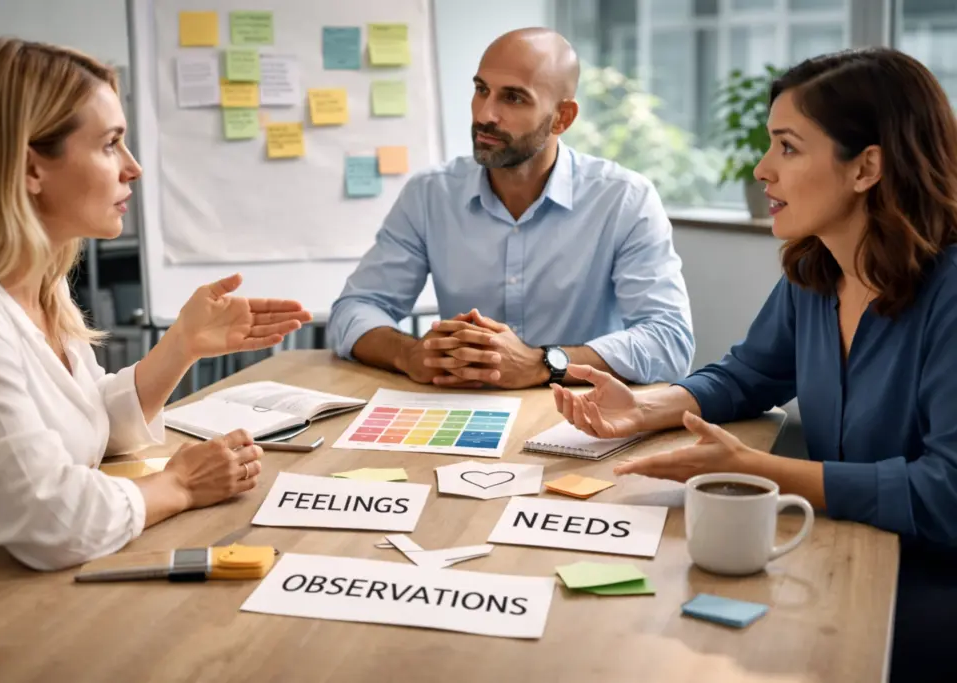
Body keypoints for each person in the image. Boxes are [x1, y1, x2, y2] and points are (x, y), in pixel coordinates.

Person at [551, 48, 957, 683]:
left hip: (929, 587)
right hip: (842, 551)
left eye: (787, 148)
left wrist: (758, 470)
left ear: (867, 167)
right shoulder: (816, 272)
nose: (762, 170)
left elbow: (947, 493)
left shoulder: (950, 294)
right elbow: (747, 376)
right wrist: (647, 405)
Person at [0, 39, 313, 571]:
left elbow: (87, 426)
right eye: (110, 144)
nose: (132, 169)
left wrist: (182, 345)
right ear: (29, 169)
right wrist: (179, 484)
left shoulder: (41, 287)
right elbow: (49, 518)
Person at [327, 27, 693, 390]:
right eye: (481, 90)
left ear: (562, 118)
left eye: (514, 98)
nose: (486, 114)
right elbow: (355, 308)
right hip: (459, 413)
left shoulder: (624, 199)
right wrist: (408, 354)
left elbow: (669, 340)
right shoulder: (430, 194)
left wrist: (542, 363)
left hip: (579, 420)